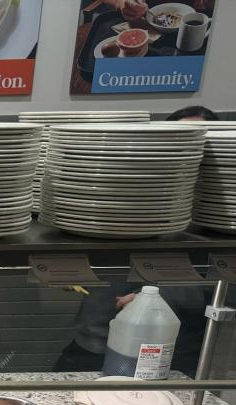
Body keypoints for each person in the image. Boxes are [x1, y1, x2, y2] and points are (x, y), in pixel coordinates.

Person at [53, 106, 219, 377]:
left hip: (173, 354)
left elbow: (223, 286)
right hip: (95, 341)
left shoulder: (214, 214)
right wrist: (73, 271)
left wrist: (152, 299)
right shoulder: (126, 196)